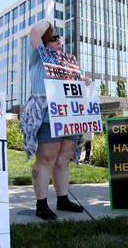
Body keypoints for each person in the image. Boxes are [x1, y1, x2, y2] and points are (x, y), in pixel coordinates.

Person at [19, 20, 91, 220]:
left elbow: (74, 86)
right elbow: (34, 31)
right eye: (53, 37)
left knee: (63, 159)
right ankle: (41, 204)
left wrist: (84, 81)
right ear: (44, 42)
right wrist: (49, 22)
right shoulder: (39, 56)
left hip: (69, 114)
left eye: (59, 37)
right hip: (48, 115)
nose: (59, 40)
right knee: (46, 159)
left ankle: (63, 199)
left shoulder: (66, 62)